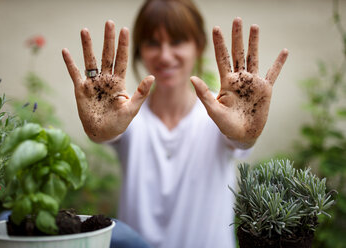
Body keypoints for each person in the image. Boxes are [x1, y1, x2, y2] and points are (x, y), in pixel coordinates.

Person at [62, 0, 288, 247]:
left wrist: (247, 134)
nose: (165, 55)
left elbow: (240, 140)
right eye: (153, 43)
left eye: (177, 41)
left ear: (199, 46)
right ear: (140, 51)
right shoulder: (128, 116)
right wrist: (98, 130)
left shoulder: (220, 113)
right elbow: (107, 132)